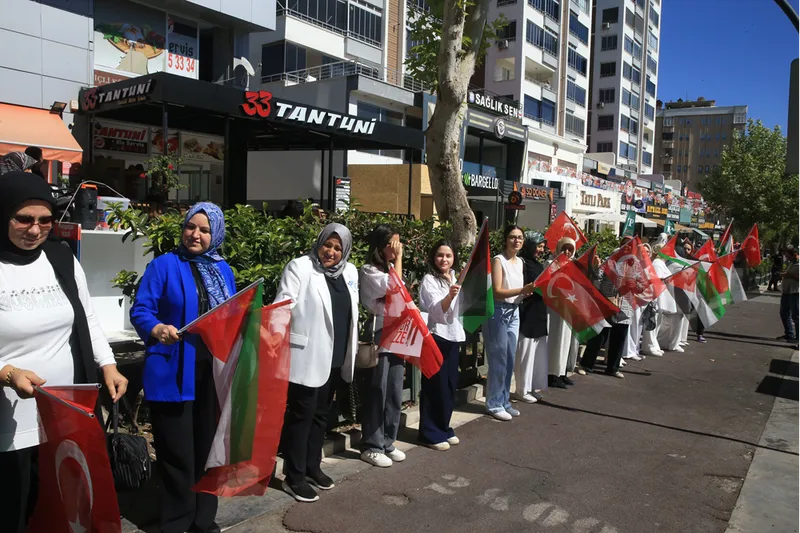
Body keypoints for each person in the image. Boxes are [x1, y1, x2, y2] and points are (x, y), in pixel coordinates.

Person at [0, 173, 128, 533]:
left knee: (64, 510)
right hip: (10, 422)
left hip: (65, 413)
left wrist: (108, 365)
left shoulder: (60, 257)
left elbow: (87, 319)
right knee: (14, 511)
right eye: (23, 219)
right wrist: (8, 373)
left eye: (44, 220)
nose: (35, 229)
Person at [130, 202, 236, 533]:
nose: (195, 234)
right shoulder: (163, 266)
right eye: (191, 226)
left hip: (212, 375)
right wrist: (156, 328)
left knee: (207, 452)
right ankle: (176, 523)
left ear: (215, 234)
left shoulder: (224, 271)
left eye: (204, 230)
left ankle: (203, 522)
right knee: (177, 455)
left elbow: (232, 315)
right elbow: (141, 310)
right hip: (173, 372)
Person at [274, 223, 359, 502]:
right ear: (319, 242)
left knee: (322, 415)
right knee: (302, 416)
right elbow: (283, 304)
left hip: (336, 356)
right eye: (327, 245)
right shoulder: (299, 267)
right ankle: (294, 476)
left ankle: (313, 467)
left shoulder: (350, 271)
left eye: (337, 247)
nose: (331, 252)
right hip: (306, 355)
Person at [358, 224, 407, 467]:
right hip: (379, 331)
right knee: (377, 389)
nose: (396, 249)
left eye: (398, 243)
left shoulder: (390, 268)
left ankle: (388, 440)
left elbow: (401, 295)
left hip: (397, 331)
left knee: (394, 389)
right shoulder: (369, 270)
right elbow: (395, 288)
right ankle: (371, 444)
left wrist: (395, 263)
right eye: (391, 244)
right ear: (379, 246)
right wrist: (398, 262)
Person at [418, 239, 465, 450]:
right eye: (440, 255)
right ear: (433, 257)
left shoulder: (457, 277)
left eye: (448, 255)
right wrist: (449, 296)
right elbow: (436, 311)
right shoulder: (429, 280)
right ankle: (430, 432)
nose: (444, 259)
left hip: (454, 336)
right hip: (436, 336)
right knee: (434, 385)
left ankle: (444, 427)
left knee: (449, 385)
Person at [484, 225, 535, 421]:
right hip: (498, 311)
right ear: (506, 239)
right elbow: (497, 291)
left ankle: (504, 400)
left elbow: (517, 290)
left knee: (510, 358)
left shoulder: (520, 262)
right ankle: (494, 404)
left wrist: (525, 292)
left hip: (514, 311)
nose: (516, 240)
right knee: (498, 359)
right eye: (513, 237)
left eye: (520, 237)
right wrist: (522, 290)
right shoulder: (499, 260)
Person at [580, 250, 630, 379]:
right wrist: (596, 266)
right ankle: (587, 364)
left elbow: (640, 285)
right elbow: (597, 277)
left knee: (619, 338)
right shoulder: (609, 263)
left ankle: (613, 368)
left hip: (625, 306)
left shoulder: (634, 267)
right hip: (606, 304)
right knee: (599, 335)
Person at [514, 231, 549, 403]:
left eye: (543, 246)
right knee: (525, 353)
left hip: (539, 312)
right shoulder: (523, 263)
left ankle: (533, 386)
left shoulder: (537, 264)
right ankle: (522, 389)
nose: (541, 250)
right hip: (527, 312)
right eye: (538, 246)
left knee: (537, 353)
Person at [547, 237, 579, 389]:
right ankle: (552, 374)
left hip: (569, 308)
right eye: (564, 248)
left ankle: (562, 372)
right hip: (555, 309)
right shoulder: (550, 264)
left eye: (570, 249)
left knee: (566, 340)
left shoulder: (574, 265)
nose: (567, 252)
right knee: (555, 341)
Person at [641, 243, 675, 356]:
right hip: (656, 295)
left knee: (657, 321)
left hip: (660, 295)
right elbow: (658, 280)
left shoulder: (660, 263)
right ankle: (649, 345)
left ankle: (654, 344)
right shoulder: (657, 263)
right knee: (652, 320)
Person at [779, 246, 800, 346]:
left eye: (787, 255)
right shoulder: (790, 263)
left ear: (793, 254)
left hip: (795, 292)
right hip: (786, 292)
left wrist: (789, 275)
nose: (786, 257)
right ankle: (789, 334)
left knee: (796, 315)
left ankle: (799, 338)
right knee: (784, 313)